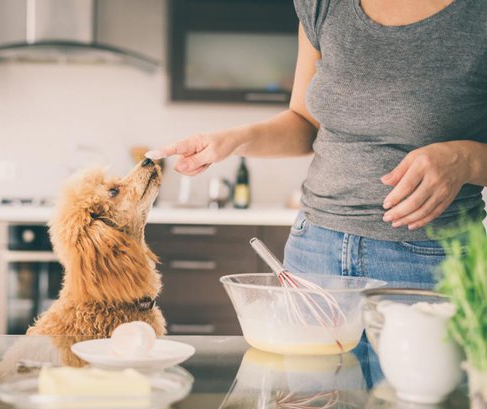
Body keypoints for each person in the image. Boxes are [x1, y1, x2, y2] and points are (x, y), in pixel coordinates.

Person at [147, 0, 487, 289]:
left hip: (431, 259)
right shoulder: (324, 5)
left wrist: (465, 160)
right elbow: (304, 122)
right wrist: (230, 140)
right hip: (315, 249)